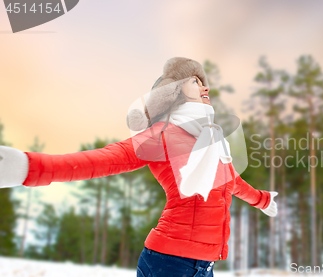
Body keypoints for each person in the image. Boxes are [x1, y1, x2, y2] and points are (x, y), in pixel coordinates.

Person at [0, 57, 278, 277]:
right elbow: (104, 160)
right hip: (170, 264)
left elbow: (232, 184)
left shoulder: (212, 141)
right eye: (195, 81)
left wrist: (263, 200)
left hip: (204, 266)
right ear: (175, 90)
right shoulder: (163, 134)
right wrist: (29, 167)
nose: (205, 87)